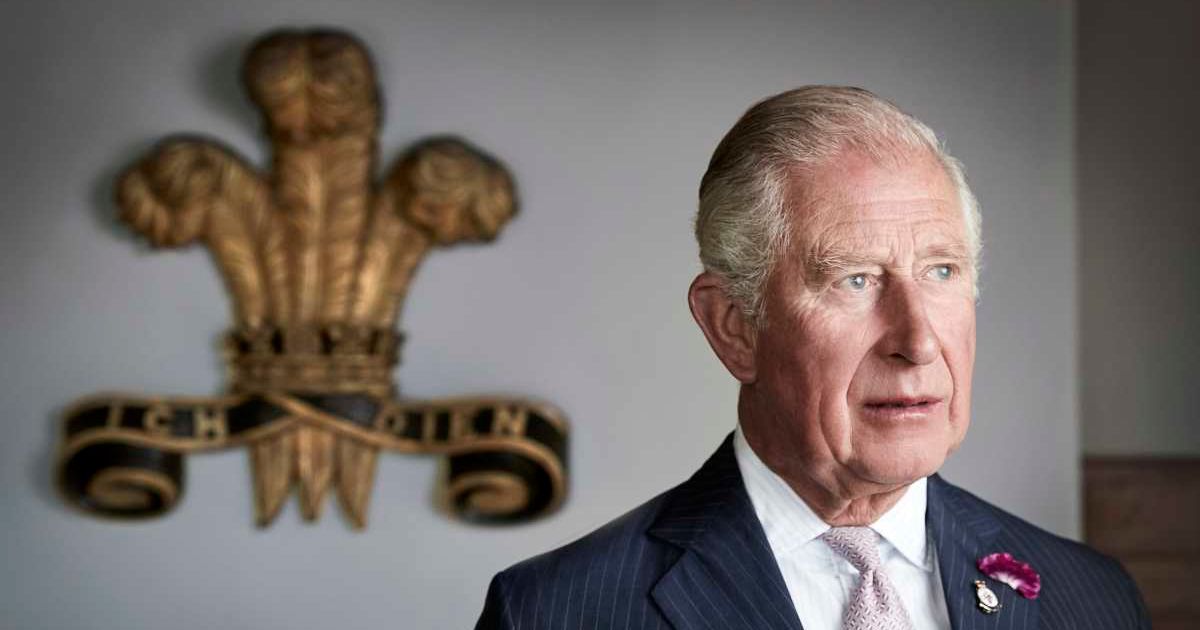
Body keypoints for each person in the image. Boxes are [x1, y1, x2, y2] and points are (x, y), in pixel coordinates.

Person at [475, 86, 1149, 630]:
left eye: (941, 272)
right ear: (733, 325)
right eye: (854, 280)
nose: (916, 342)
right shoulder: (555, 612)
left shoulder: (1090, 599)